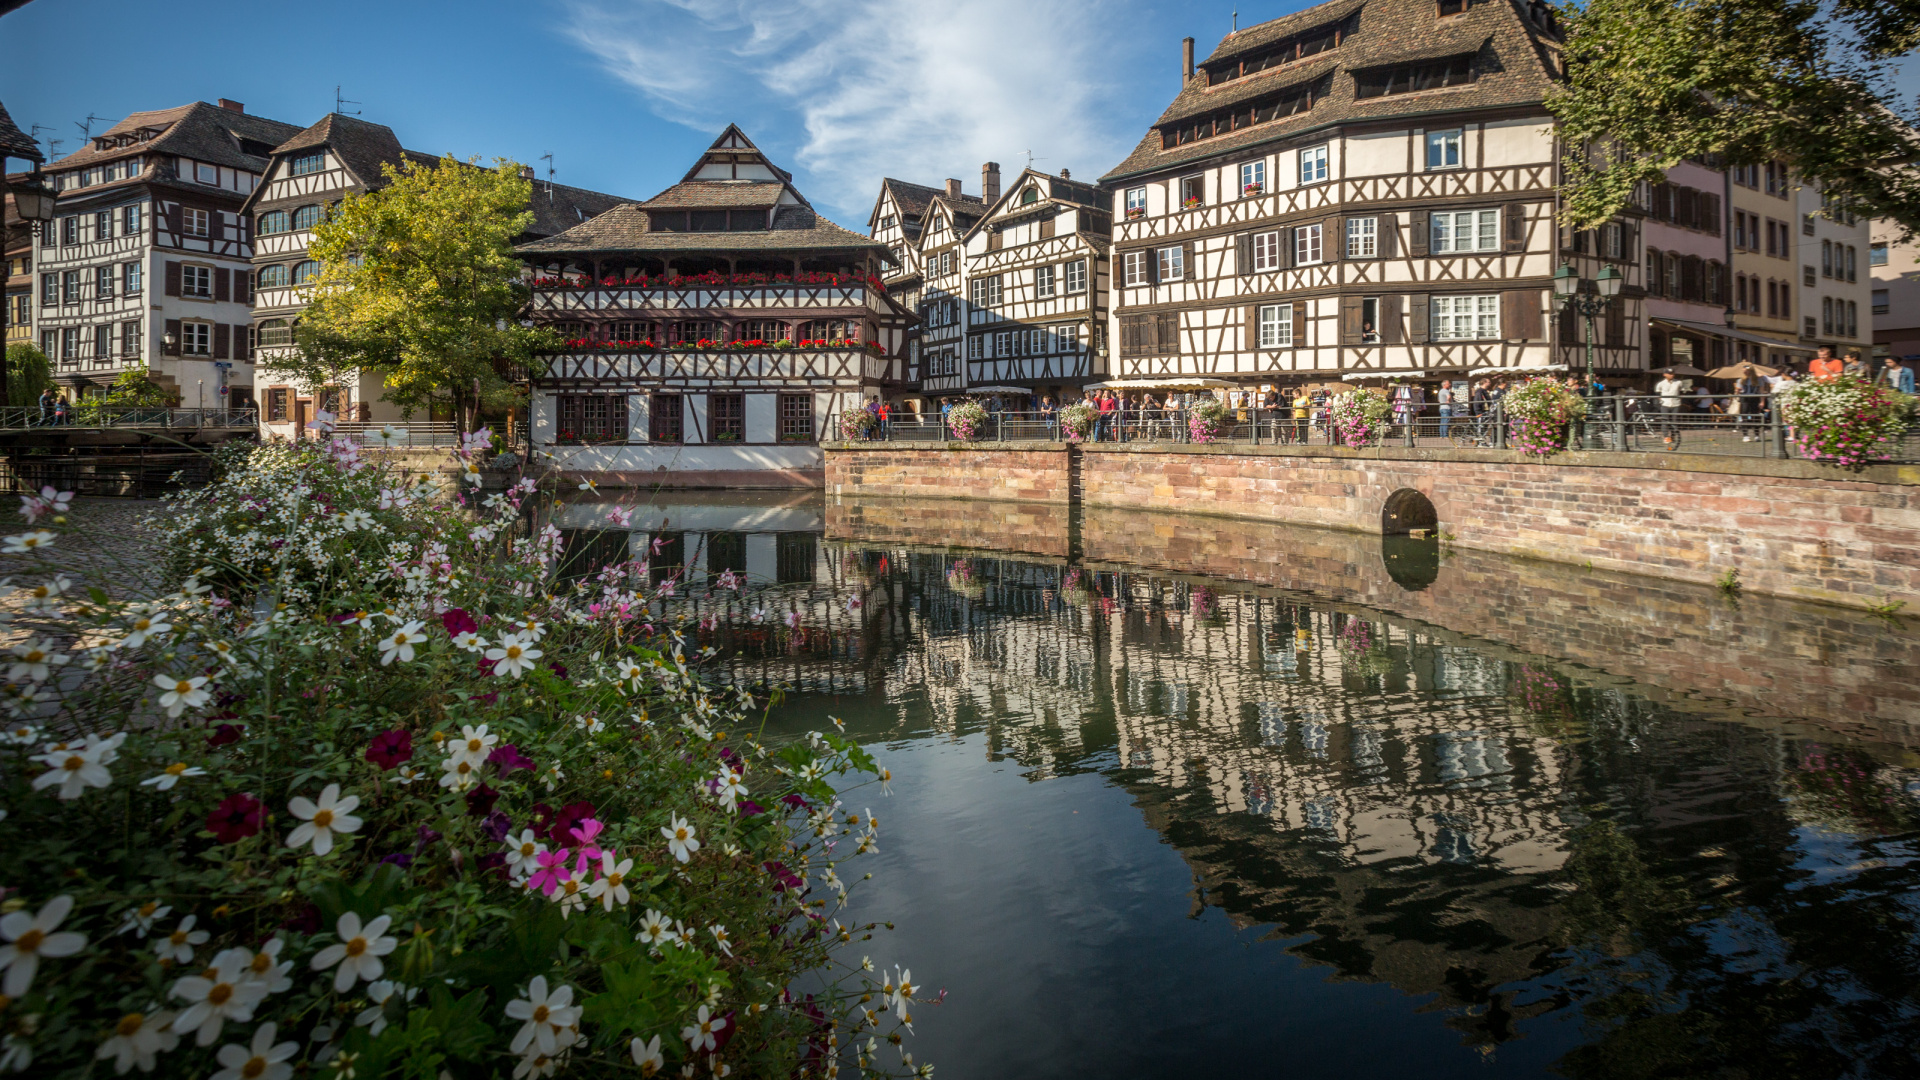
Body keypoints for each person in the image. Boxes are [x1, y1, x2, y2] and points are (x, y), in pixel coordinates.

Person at [1654, 370, 1686, 446]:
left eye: (1672, 373)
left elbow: (1683, 391)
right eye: (1670, 374)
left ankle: (1673, 436)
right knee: (1665, 420)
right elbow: (1657, 393)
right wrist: (1661, 400)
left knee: (1674, 421)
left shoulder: (1678, 382)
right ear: (1664, 374)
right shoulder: (1661, 384)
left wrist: (1680, 398)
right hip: (1665, 403)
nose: (1672, 375)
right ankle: (1666, 436)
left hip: (1676, 404)